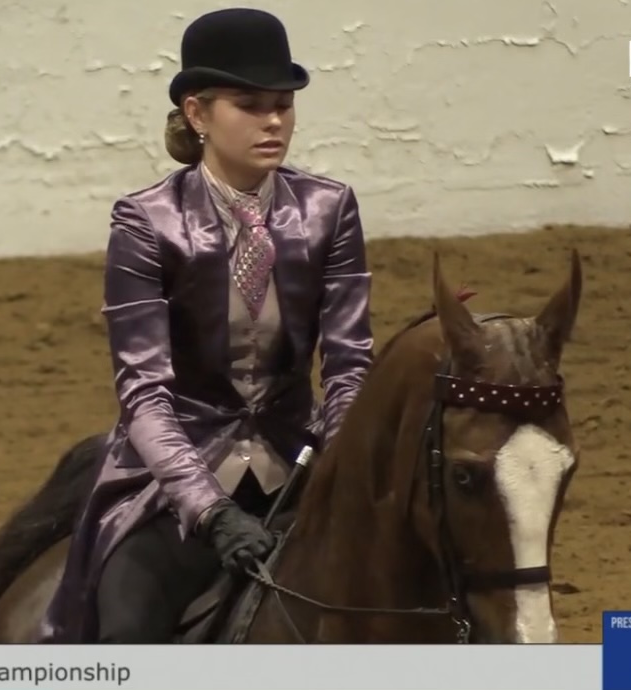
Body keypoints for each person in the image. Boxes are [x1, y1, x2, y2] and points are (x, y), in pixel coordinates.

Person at [37, 7, 375, 644]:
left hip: (297, 469)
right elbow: (143, 392)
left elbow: (350, 363)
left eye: (284, 103)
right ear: (198, 114)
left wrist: (338, 464)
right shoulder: (146, 222)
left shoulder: (331, 209)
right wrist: (211, 510)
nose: (274, 120)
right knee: (128, 632)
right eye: (249, 105)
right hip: (173, 487)